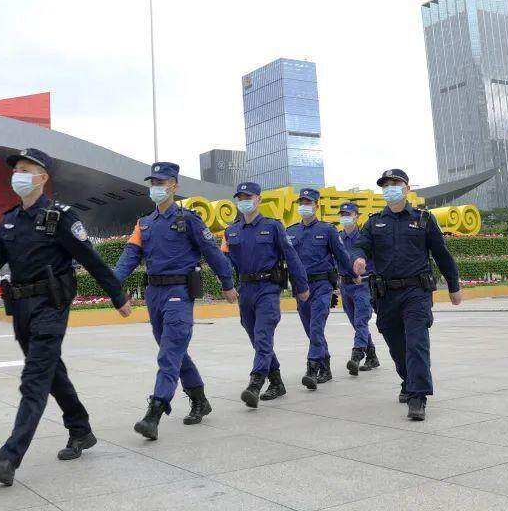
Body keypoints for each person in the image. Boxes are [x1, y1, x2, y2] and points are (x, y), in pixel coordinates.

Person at [0, 148, 133, 486]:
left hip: (51, 306)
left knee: (34, 379)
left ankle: (8, 458)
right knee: (51, 372)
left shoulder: (61, 217)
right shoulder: (10, 220)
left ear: (42, 178)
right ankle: (81, 429)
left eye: (25, 169)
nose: (18, 174)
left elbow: (91, 259)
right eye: (15, 169)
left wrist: (117, 295)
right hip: (20, 309)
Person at [113, 162, 239, 440]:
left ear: (174, 186)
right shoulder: (144, 223)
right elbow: (129, 256)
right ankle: (199, 399)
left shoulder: (189, 220)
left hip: (179, 293)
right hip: (154, 295)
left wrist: (227, 283)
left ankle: (155, 411)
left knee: (169, 353)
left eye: (161, 182)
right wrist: (112, 284)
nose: (156, 187)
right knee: (174, 351)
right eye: (153, 183)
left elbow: (213, 252)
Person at [350, 169, 462, 421]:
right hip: (385, 295)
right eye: (385, 185)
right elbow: (359, 246)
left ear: (407, 188)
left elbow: (442, 255)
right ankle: (409, 381)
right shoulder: (374, 222)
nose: (390, 188)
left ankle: (417, 397)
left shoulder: (424, 219)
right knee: (397, 346)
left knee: (416, 343)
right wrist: (358, 258)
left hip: (416, 292)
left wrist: (453, 286)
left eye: (395, 183)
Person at [221, 182, 309, 408]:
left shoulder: (273, 227)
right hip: (245, 290)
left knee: (262, 335)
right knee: (256, 338)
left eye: (248, 197)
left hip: (268, 288)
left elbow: (291, 256)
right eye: (240, 198)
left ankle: (255, 382)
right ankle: (276, 381)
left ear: (258, 199)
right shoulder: (231, 231)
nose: (244, 201)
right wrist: (227, 285)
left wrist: (301, 286)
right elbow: (226, 262)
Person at [284, 188, 353, 390]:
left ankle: (312, 368)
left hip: (322, 285)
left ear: (316, 205)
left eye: (308, 202)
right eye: (301, 203)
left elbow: (342, 255)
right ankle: (325, 366)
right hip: (301, 288)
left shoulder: (328, 230)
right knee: (310, 329)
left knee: (316, 327)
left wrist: (353, 274)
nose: (304, 206)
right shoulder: (291, 232)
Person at [337, 201, 380, 376]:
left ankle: (356, 355)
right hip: (345, 285)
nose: (345, 217)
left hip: (362, 284)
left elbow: (375, 260)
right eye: (342, 214)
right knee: (356, 323)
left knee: (361, 320)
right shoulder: (338, 237)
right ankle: (372, 356)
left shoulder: (364, 237)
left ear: (357, 216)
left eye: (349, 214)